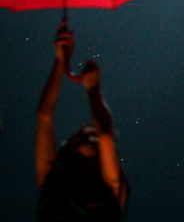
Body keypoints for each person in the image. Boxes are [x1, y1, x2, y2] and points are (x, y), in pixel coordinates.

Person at [36, 22, 127, 222]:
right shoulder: (111, 194)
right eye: (89, 134)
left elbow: (44, 118)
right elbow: (105, 136)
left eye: (83, 134)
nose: (85, 131)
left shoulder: (52, 187)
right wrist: (92, 89)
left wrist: (60, 62)